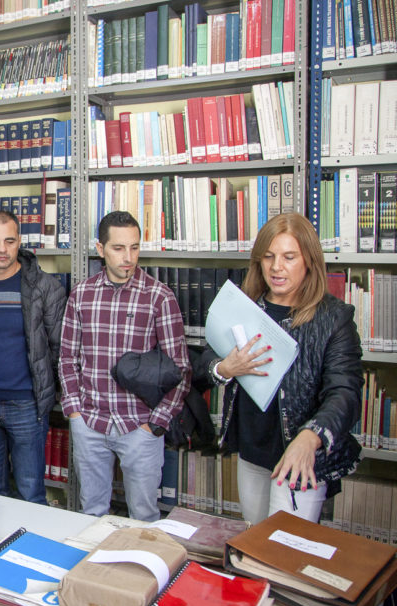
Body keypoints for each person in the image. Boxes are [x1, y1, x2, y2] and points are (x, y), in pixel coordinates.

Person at [198, 213, 363, 524]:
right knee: (254, 542)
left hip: (299, 456)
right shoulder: (245, 304)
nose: (276, 267)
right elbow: (204, 363)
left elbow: (345, 392)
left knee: (283, 554)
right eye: (269, 257)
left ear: (309, 261)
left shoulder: (334, 318)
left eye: (289, 257)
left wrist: (312, 437)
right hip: (252, 450)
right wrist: (224, 367)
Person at [59, 210, 190, 521]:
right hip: (91, 421)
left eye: (134, 247)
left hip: (139, 426)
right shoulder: (81, 295)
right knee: (91, 513)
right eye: (118, 248)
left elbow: (180, 369)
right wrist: (75, 412)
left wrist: (156, 424)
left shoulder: (160, 297)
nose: (128, 257)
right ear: (100, 249)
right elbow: (67, 358)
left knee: (143, 515)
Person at [0, 211, 66, 504]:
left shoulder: (46, 288)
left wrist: (48, 396)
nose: (2, 250)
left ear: (19, 241)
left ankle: (28, 550)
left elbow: (58, 349)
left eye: (9, 241)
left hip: (27, 405)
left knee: (31, 492)